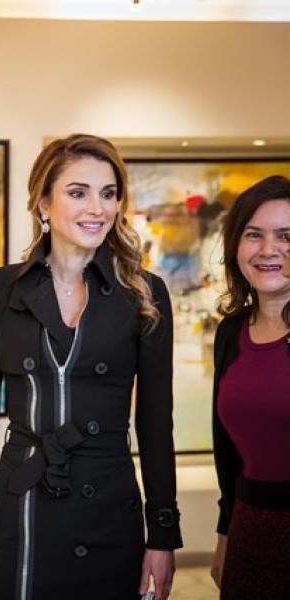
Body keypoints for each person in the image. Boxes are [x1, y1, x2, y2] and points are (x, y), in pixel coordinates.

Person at [0, 134, 182, 600]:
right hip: (21, 503)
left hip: (108, 505)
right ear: (43, 202)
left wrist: (162, 533)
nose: (97, 208)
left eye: (108, 193)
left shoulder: (145, 294)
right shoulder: (0, 290)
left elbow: (156, 421)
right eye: (78, 192)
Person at [208, 175, 290, 599]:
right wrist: (225, 532)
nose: (267, 250)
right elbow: (226, 451)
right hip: (250, 528)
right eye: (253, 234)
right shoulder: (231, 332)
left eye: (286, 236)